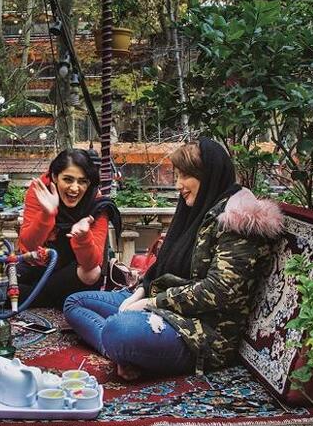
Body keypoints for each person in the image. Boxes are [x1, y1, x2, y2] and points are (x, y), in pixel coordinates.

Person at [64, 139, 284, 380]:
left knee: (119, 329)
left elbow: (219, 290)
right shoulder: (197, 206)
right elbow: (162, 265)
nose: (178, 184)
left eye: (186, 176)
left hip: (200, 332)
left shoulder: (237, 220)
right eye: (177, 175)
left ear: (208, 175)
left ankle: (121, 346)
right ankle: (121, 353)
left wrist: (152, 304)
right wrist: (141, 293)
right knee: (75, 302)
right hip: (165, 303)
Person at [17, 148, 121, 309]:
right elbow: (28, 246)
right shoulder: (40, 191)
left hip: (73, 273)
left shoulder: (98, 205)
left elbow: (92, 263)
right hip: (41, 264)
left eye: (82, 181)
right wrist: (47, 214)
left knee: (91, 273)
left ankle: (31, 297)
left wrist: (82, 236)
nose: (74, 188)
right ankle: (51, 299)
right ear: (54, 177)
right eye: (68, 180)